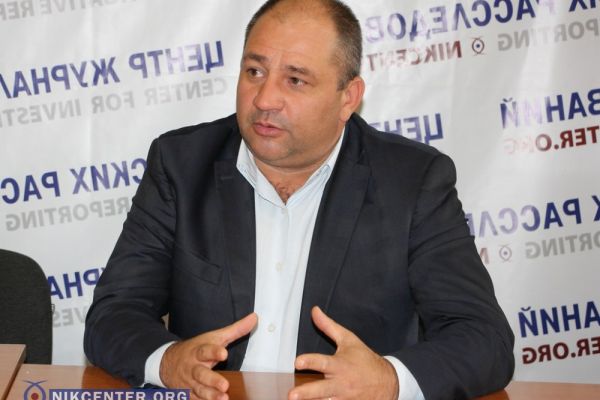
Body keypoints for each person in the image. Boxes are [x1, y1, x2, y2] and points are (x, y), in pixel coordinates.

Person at [84, 0, 515, 399]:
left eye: (295, 80)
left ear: (348, 98)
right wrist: (169, 362)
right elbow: (113, 315)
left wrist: (387, 380)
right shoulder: (181, 165)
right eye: (255, 72)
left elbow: (484, 340)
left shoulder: (412, 181)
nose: (265, 99)